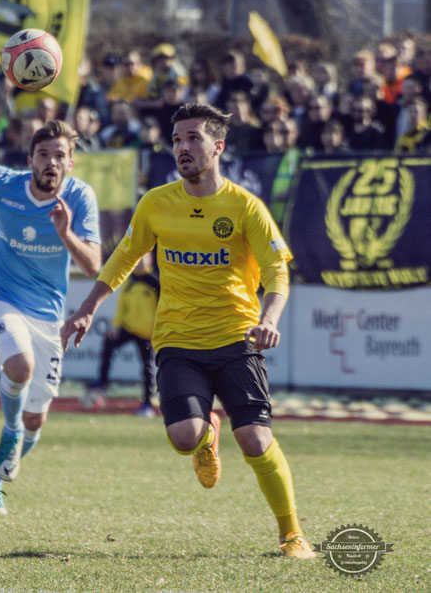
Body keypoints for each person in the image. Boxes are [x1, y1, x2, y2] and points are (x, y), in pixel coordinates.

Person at [61, 102, 316, 559]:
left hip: (238, 338)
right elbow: (122, 258)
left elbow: (277, 272)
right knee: (183, 437)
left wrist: (269, 318)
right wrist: (86, 308)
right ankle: (204, 437)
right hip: (178, 339)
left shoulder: (246, 208)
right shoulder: (156, 203)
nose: (182, 147)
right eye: (177, 139)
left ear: (218, 147)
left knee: (256, 440)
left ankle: (292, 534)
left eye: (193, 138)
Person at [0, 119, 101, 515]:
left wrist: (66, 233)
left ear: (71, 163)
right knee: (20, 367)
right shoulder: (5, 183)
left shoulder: (81, 198)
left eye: (60, 156)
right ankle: (9, 430)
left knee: (37, 420)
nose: (51, 162)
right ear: (30, 159)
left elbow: (92, 266)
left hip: (48, 315)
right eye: (43, 154)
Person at [84, 253, 159, 417]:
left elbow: (162, 310)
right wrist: (116, 326)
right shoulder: (130, 280)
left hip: (147, 333)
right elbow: (121, 306)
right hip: (129, 328)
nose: (139, 263)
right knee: (108, 343)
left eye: (143, 260)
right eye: (137, 260)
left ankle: (147, 404)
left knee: (147, 369)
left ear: (150, 261)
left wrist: (157, 334)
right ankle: (103, 383)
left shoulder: (155, 282)